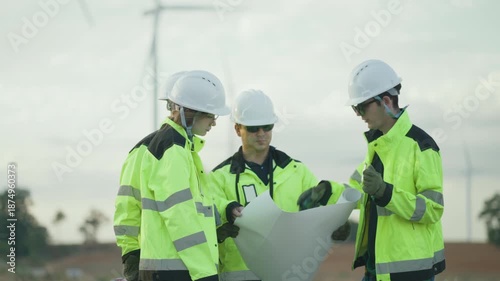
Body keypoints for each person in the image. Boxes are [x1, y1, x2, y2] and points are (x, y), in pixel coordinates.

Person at [300, 59, 446, 281]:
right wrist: (326, 192)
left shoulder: (422, 146)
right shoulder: (377, 148)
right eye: (354, 108)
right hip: (376, 270)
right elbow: (356, 192)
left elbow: (432, 209)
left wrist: (385, 193)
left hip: (411, 273)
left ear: (386, 101)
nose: (358, 114)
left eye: (361, 107)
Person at [209, 89, 350, 281]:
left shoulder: (296, 171)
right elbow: (207, 210)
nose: (261, 134)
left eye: (266, 126)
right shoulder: (219, 177)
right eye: (253, 128)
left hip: (289, 274)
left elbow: (322, 207)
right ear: (237, 129)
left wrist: (337, 222)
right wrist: (227, 212)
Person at [120, 70, 230, 281]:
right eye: (210, 115)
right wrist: (204, 272)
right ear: (191, 112)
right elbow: (180, 217)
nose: (214, 123)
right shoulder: (173, 151)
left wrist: (225, 213)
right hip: (177, 270)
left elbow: (195, 209)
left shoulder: (182, 149)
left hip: (174, 268)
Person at [113, 71, 186, 281]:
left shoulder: (189, 154)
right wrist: (132, 262)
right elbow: (127, 212)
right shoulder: (144, 151)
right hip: (153, 268)